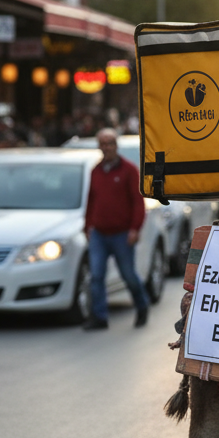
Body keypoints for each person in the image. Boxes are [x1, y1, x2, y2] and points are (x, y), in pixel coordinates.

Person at [83, 128, 149, 330]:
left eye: (110, 143)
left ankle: (142, 306)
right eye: (103, 144)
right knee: (96, 276)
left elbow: (138, 203)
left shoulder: (129, 170)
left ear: (116, 146)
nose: (107, 147)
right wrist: (88, 226)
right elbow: (91, 201)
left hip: (122, 234)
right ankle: (99, 317)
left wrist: (135, 229)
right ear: (99, 147)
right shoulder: (95, 171)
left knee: (128, 275)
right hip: (99, 234)